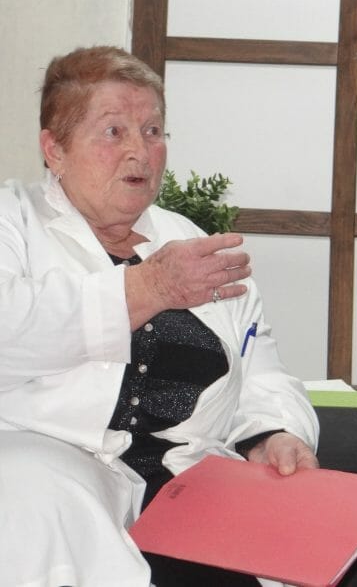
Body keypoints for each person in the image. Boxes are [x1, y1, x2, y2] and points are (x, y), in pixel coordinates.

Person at [0, 46, 320, 587]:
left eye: (153, 131)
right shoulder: (13, 222)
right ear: (54, 150)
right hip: (49, 470)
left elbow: (258, 367)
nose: (140, 152)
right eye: (114, 131)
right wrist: (145, 289)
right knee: (34, 512)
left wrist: (274, 433)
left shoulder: (190, 243)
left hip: (191, 481)